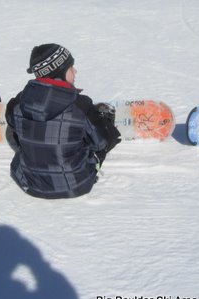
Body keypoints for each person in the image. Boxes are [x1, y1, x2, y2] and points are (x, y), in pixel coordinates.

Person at [6, 44, 121, 199]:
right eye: (71, 67)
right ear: (58, 72)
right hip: (76, 184)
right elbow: (101, 143)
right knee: (97, 135)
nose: (75, 71)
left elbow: (13, 131)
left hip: (29, 183)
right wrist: (105, 122)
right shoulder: (80, 106)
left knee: (12, 129)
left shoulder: (18, 102)